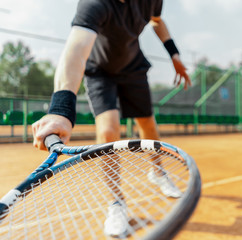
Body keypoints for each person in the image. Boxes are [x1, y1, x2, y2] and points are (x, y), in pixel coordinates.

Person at [32, 0, 191, 237]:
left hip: (134, 67)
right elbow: (76, 51)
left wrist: (174, 55)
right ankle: (116, 203)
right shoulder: (94, 4)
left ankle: (158, 172)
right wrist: (61, 109)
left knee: (148, 124)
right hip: (101, 73)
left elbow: (157, 21)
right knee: (108, 132)